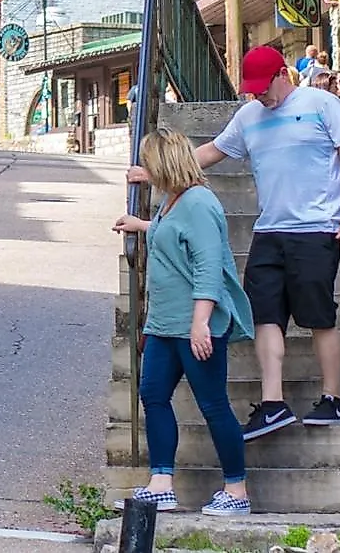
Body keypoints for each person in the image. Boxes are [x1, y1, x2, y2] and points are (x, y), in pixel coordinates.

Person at [137, 44, 340, 440]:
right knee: (264, 314)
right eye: (252, 88)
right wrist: (155, 171)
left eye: (264, 86)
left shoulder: (321, 103)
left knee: (318, 315)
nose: (258, 94)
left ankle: (333, 398)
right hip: (269, 230)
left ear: (283, 74)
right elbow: (210, 152)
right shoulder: (248, 116)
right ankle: (274, 403)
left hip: (316, 228)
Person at [115, 129, 255, 518]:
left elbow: (208, 267)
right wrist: (140, 225)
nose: (145, 170)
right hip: (163, 324)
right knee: (153, 394)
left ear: (165, 164)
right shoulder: (170, 201)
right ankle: (161, 484)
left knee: (213, 405)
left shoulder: (199, 203)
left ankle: (236, 490)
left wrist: (201, 323)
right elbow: (169, 235)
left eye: (149, 163)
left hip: (196, 324)